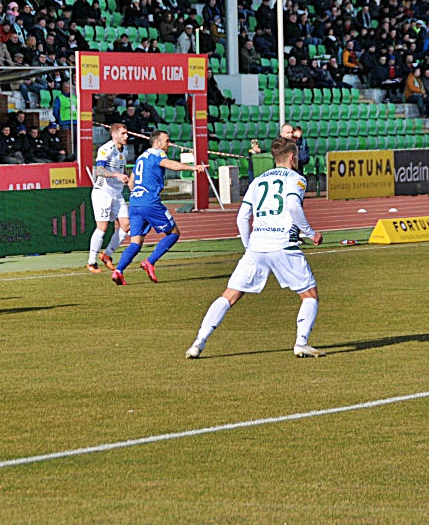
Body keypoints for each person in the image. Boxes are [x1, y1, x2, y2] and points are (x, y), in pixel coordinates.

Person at [186, 137, 325, 359]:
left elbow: (242, 217)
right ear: (292, 157)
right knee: (309, 295)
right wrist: (310, 233)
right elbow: (291, 205)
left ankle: (198, 342)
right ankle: (301, 343)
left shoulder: (258, 181)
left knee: (229, 295)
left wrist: (248, 247)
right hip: (283, 245)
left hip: (257, 246)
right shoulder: (296, 179)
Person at [111, 130, 207, 285]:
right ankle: (150, 261)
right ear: (157, 143)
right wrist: (193, 168)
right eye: (167, 141)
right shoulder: (158, 153)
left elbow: (131, 183)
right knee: (174, 233)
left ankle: (118, 270)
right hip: (150, 202)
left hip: (135, 202)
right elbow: (169, 165)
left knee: (136, 242)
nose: (169, 144)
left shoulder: (141, 157)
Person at [88, 123, 132, 274]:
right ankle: (91, 261)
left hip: (117, 193)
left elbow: (122, 169)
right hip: (103, 192)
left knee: (126, 225)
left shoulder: (124, 150)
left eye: (127, 134)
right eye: (123, 134)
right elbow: (99, 170)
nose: (126, 136)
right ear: (114, 135)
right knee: (103, 227)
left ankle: (107, 254)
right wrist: (116, 175)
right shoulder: (105, 149)